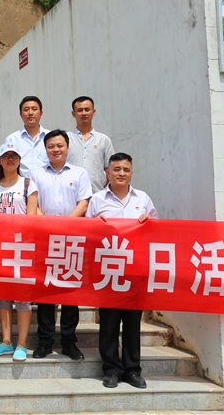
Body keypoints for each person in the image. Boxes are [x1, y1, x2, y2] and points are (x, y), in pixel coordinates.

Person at [87, 153, 157, 389]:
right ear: (107, 172)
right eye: (116, 169)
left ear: (131, 173)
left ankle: (132, 370)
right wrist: (95, 225)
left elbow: (157, 229)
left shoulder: (143, 198)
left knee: (132, 323)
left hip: (135, 270)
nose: (121, 173)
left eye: (126, 169)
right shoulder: (97, 200)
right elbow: (85, 233)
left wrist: (150, 221)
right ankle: (111, 370)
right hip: (108, 271)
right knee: (109, 323)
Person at [30, 129, 92, 361]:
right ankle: (45, 341)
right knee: (46, 292)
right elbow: (33, 204)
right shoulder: (36, 173)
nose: (55, 150)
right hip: (45, 238)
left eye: (59, 146)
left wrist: (65, 225)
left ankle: (69, 342)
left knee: (70, 293)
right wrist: (48, 225)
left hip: (72, 239)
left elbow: (84, 203)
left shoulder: (80, 173)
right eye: (51, 146)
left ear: (67, 148)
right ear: (45, 149)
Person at [0, 143, 39, 363]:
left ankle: (22, 344)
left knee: (23, 298)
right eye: (5, 156)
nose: (10, 159)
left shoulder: (27, 184)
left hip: (22, 246)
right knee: (3, 297)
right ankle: (6, 341)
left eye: (14, 156)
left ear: (19, 160)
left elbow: (32, 218)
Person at [68, 96, 115, 193]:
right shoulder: (66, 139)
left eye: (87, 109)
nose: (84, 113)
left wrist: (101, 187)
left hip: (97, 194)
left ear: (93, 112)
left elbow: (110, 169)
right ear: (73, 114)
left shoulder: (104, 139)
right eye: (79, 110)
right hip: (71, 194)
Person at [3, 96, 50, 177]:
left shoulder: (51, 137)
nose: (30, 113)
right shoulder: (12, 139)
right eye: (26, 110)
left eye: (34, 109)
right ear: (21, 114)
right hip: (22, 183)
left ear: (41, 113)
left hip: (48, 182)